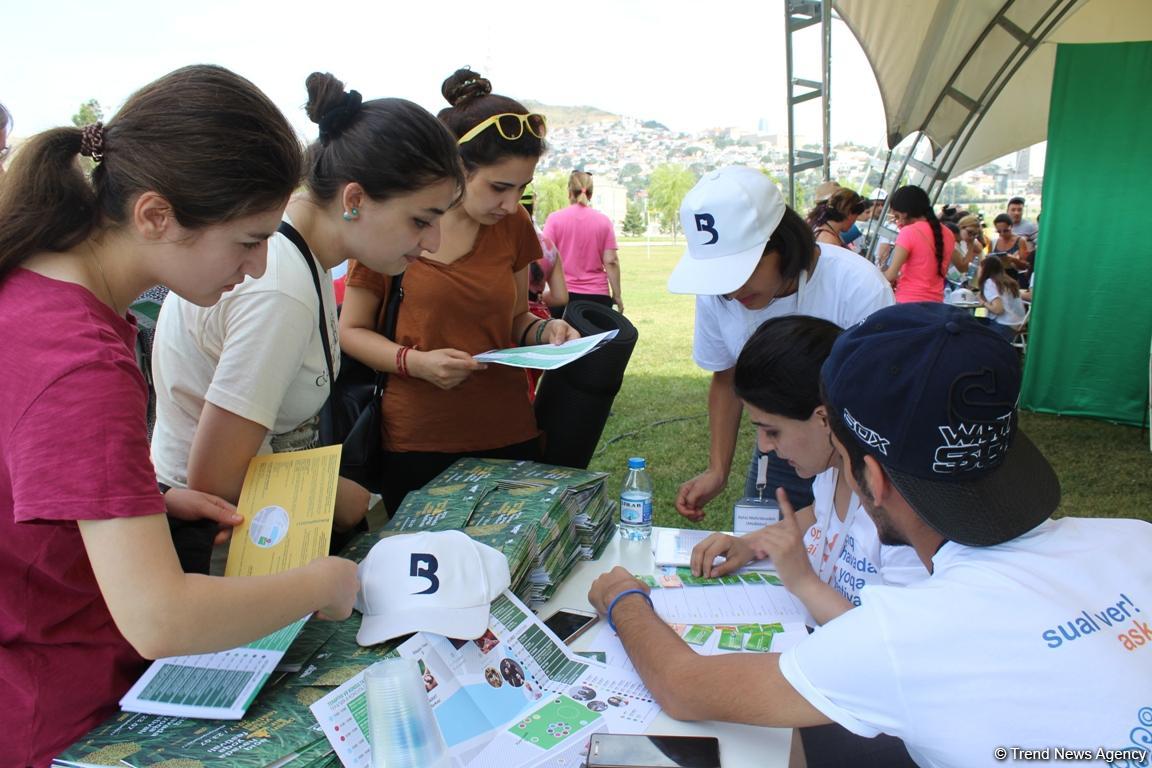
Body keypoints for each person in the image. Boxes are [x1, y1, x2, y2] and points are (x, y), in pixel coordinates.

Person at [589, 302, 1152, 768]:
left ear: (872, 479)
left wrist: (624, 599)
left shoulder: (907, 633)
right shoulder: (1134, 540)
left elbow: (685, 686)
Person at [0, 64, 359, 767]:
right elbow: (160, 619)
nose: (258, 268)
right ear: (155, 216)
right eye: (248, 240)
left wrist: (147, 501)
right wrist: (321, 584)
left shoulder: (29, 288)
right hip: (58, 710)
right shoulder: (80, 358)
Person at [150, 73, 465, 572]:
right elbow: (215, 478)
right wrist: (334, 494)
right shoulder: (280, 285)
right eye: (421, 220)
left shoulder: (297, 257)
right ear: (354, 199)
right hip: (220, 551)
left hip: (246, 531)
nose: (433, 242)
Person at [689, 314, 925, 767]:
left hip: (884, 721)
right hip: (830, 666)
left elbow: (890, 654)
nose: (764, 447)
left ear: (823, 419)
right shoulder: (832, 472)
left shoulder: (896, 516)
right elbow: (817, 514)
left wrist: (803, 583)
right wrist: (752, 543)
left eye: (772, 430)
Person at [340, 67, 580, 513]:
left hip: (508, 432)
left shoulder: (513, 224)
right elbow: (350, 330)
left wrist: (546, 332)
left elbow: (516, 319)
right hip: (416, 441)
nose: (511, 204)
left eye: (522, 188)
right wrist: (416, 363)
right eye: (499, 187)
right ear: (456, 168)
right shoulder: (394, 222)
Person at [669, 166, 892, 522]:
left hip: (854, 454)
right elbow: (726, 377)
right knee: (765, 546)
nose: (732, 291)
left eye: (741, 271)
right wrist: (718, 469)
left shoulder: (857, 286)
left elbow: (877, 400)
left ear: (783, 243)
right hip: (777, 447)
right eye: (720, 278)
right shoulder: (717, 294)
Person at [544, 169, 622, 313]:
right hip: (598, 297)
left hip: (562, 295)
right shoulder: (604, 221)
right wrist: (617, 295)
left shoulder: (554, 219)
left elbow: (545, 256)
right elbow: (611, 261)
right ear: (591, 194)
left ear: (569, 192)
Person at [883, 185, 957, 303]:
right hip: (936, 303)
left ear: (904, 214)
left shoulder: (908, 232)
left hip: (907, 302)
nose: (897, 222)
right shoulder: (948, 234)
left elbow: (891, 275)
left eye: (897, 216)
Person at [976, 255, 1028, 341]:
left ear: (984, 269)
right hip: (1017, 325)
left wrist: (983, 302)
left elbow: (998, 310)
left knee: (972, 327)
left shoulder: (989, 282)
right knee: (979, 319)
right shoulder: (1008, 281)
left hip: (1004, 327)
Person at [989, 211, 1032, 287]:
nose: (1002, 234)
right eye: (999, 232)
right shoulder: (993, 242)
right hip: (997, 281)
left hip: (1015, 280)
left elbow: (1026, 265)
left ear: (1011, 227)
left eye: (1006, 231)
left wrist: (1013, 260)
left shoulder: (1020, 241)